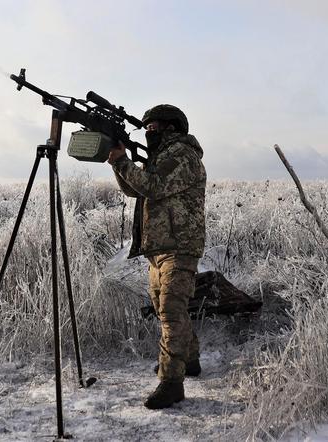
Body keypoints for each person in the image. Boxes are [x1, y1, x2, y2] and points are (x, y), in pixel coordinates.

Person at [108, 104, 206, 409]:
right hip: (160, 246)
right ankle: (188, 361)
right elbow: (136, 190)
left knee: (170, 310)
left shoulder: (181, 155)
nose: (148, 132)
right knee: (167, 306)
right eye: (146, 128)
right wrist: (118, 163)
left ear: (171, 128)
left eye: (153, 128)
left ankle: (171, 382)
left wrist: (125, 161)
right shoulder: (160, 157)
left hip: (179, 245)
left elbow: (153, 185)